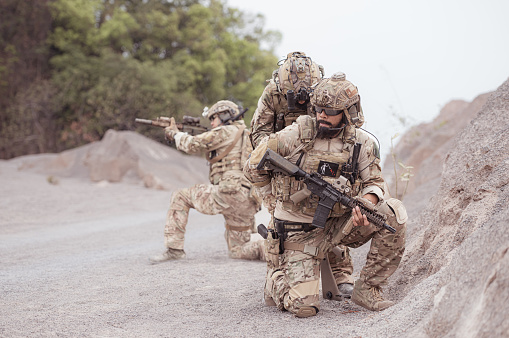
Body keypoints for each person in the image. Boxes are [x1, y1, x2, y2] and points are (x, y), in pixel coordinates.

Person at [244, 72, 407, 318]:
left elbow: (375, 183)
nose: (322, 115)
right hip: (299, 229)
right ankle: (276, 277)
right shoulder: (295, 135)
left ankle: (368, 289)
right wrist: (272, 199)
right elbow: (252, 167)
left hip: (341, 223)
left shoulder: (362, 143)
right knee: (305, 308)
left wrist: (367, 203)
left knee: (393, 213)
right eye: (318, 109)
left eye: (330, 111)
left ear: (348, 112)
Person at [250, 51, 357, 297]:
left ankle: (341, 273)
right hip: (282, 161)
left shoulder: (324, 92)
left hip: (320, 158)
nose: (299, 99)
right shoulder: (271, 95)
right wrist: (283, 152)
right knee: (280, 220)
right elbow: (257, 138)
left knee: (331, 209)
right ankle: (278, 275)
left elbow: (344, 127)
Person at [149, 100, 265, 264]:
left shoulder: (224, 131)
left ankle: (174, 249)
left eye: (214, 118)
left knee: (180, 196)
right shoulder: (247, 134)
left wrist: (175, 133)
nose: (211, 123)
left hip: (229, 193)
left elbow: (193, 144)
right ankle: (271, 250)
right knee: (239, 250)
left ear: (225, 116)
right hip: (247, 198)